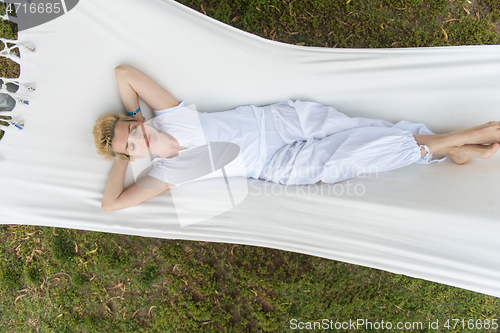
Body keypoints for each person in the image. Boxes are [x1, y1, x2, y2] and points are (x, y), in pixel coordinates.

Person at [93, 65, 500, 211]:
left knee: (361, 131)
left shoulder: (169, 116)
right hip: (276, 167)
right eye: (131, 147)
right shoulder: (165, 173)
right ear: (133, 156)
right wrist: (122, 158)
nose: (137, 139)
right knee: (356, 157)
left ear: (137, 120)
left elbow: (124, 75)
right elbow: (112, 204)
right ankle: (462, 139)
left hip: (281, 123)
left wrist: (131, 114)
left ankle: (451, 150)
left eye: (132, 131)